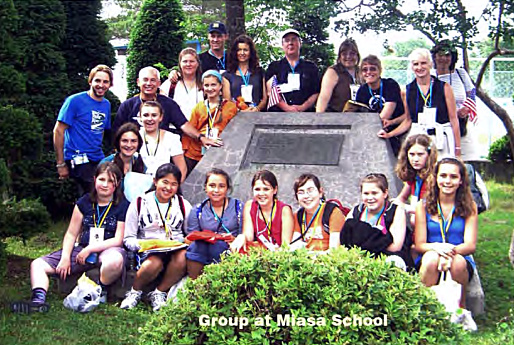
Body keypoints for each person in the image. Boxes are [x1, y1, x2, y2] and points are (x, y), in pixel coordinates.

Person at [12, 162, 129, 313]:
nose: (105, 185)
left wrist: (91, 249)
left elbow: (118, 239)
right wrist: (66, 257)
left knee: (115, 261)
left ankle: (100, 291)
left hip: (108, 249)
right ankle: (38, 301)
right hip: (82, 250)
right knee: (37, 264)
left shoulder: (123, 205)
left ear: (117, 184)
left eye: (111, 181)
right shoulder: (84, 202)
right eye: (102, 179)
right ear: (94, 180)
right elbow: (71, 233)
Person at [121, 163, 191, 311]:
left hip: (174, 249)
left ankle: (159, 292)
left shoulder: (183, 205)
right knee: (154, 263)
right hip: (149, 250)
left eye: (174, 184)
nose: (168, 188)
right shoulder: (140, 202)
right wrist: (145, 245)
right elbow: (128, 238)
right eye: (164, 182)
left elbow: (189, 234)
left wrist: (181, 241)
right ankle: (134, 291)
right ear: (155, 181)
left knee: (183, 257)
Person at [414, 157, 477, 310]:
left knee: (458, 262)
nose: (448, 181)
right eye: (443, 176)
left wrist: (448, 253)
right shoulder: (422, 206)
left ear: (461, 180)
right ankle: (425, 309)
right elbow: (420, 244)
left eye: (453, 177)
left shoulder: (470, 206)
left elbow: (470, 245)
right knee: (431, 259)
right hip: (430, 254)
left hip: (459, 256)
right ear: (435, 179)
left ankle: (460, 309)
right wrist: (437, 249)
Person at [113, 66, 220, 149]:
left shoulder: (168, 104)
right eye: (145, 80)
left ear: (159, 83)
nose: (149, 83)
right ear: (138, 82)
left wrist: (201, 137)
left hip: (161, 153)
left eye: (153, 80)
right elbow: (117, 132)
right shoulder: (127, 105)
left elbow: (183, 124)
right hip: (134, 153)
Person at [386, 48, 461, 157]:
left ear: (430, 64)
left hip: (441, 138)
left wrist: (457, 147)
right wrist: (389, 134)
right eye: (416, 64)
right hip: (418, 139)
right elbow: (408, 121)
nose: (419, 67)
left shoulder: (444, 87)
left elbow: (453, 119)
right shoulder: (406, 91)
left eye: (423, 63)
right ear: (412, 67)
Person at [53, 64, 114, 195]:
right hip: (78, 157)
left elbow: (102, 130)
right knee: (94, 193)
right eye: (97, 80)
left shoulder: (106, 104)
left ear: (110, 85)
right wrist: (61, 163)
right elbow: (58, 131)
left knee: (110, 186)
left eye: (105, 82)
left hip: (97, 157)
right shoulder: (74, 101)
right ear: (90, 81)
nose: (101, 85)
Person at [185, 169, 243, 279]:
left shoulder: (239, 207)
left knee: (218, 247)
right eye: (212, 185)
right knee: (196, 247)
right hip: (202, 252)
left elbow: (245, 234)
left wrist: (234, 239)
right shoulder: (198, 210)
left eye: (221, 186)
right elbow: (190, 239)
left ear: (228, 189)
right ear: (205, 188)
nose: (216, 190)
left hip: (230, 251)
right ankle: (195, 285)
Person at [346, 173, 411, 269]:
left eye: (374, 193)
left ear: (385, 193)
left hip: (387, 258)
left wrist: (365, 246)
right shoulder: (356, 211)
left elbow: (395, 247)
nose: (370, 198)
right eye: (366, 193)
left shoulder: (396, 211)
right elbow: (344, 240)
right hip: (359, 259)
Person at [182, 70, 238, 174]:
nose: (210, 88)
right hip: (197, 154)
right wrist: (184, 151)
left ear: (220, 86)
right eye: (206, 85)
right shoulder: (199, 107)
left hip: (221, 153)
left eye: (213, 85)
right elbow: (190, 131)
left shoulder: (230, 107)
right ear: (203, 87)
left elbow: (235, 132)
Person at [355, 55, 406, 156]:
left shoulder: (390, 84)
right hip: (374, 129)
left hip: (396, 128)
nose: (368, 72)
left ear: (380, 71)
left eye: (373, 69)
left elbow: (387, 112)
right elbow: (360, 115)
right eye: (365, 70)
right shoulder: (362, 90)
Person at [234, 170, 294, 251]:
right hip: (258, 252)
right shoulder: (249, 206)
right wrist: (242, 237)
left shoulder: (284, 210)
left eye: (266, 189)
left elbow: (286, 246)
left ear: (275, 190)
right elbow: (249, 236)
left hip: (279, 256)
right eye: (257, 189)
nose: (261, 193)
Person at [266, 29, 320, 112]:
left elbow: (316, 92)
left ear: (300, 43)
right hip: (278, 115)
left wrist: (303, 107)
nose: (290, 43)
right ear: (282, 45)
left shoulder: (311, 67)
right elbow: (270, 91)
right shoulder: (274, 67)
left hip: (306, 115)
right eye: (287, 41)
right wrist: (287, 108)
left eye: (294, 39)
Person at [431, 40, 476, 137]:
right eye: (440, 55)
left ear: (453, 58)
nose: (443, 58)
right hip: (437, 128)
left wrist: (466, 108)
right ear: (435, 57)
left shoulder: (460, 73)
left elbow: (471, 92)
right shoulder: (429, 75)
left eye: (447, 55)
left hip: (461, 126)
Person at [291, 173, 346, 251]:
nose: (306, 196)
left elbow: (334, 250)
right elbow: (295, 244)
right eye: (301, 192)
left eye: (310, 190)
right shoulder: (298, 215)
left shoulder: (333, 212)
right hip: (305, 260)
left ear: (320, 192)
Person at [138, 101, 187, 181]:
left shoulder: (172, 138)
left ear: (160, 117)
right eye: (146, 115)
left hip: (163, 186)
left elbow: (182, 168)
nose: (150, 119)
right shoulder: (134, 136)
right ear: (140, 117)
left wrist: (175, 188)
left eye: (154, 115)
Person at [395, 134, 438, 226]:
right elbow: (401, 198)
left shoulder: (435, 177)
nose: (415, 159)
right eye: (412, 154)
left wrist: (406, 207)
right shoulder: (414, 176)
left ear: (429, 155)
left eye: (420, 154)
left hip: (432, 223)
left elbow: (432, 208)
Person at [222, 34, 267, 112]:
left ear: (251, 52)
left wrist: (257, 108)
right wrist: (241, 111)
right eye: (239, 50)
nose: (242, 53)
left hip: (257, 115)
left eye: (245, 50)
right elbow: (227, 101)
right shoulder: (227, 75)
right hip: (236, 117)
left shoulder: (260, 72)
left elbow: (265, 98)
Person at [316, 38, 361, 112]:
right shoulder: (332, 72)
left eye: (352, 53)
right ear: (339, 56)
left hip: (359, 117)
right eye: (344, 54)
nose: (348, 57)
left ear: (357, 56)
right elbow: (323, 98)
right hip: (336, 118)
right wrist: (318, 119)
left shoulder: (362, 71)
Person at [159, 48, 204, 120]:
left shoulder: (205, 84)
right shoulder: (170, 84)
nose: (188, 64)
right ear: (180, 63)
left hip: (199, 129)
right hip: (174, 129)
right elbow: (160, 108)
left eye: (192, 61)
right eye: (185, 61)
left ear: (198, 63)